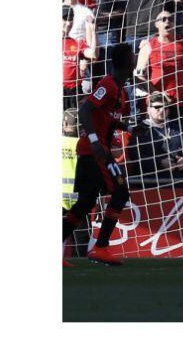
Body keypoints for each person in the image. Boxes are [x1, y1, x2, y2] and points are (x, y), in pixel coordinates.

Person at [62, 43, 135, 266]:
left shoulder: (121, 92)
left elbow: (107, 118)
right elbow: (85, 109)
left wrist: (127, 128)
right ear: (126, 62)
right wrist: (95, 141)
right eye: (133, 56)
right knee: (120, 192)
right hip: (95, 152)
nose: (135, 59)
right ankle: (101, 247)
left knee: (85, 203)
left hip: (97, 150)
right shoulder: (108, 85)